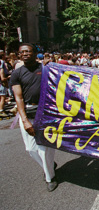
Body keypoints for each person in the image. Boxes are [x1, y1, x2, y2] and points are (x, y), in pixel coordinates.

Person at [10, 43, 57, 191]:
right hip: (28, 114)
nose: (25, 54)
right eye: (22, 52)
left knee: (44, 149)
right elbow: (19, 98)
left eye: (29, 51)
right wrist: (24, 120)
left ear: (35, 53)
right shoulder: (17, 74)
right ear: (19, 55)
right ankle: (49, 166)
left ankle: (50, 178)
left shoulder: (45, 69)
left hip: (45, 114)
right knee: (31, 149)